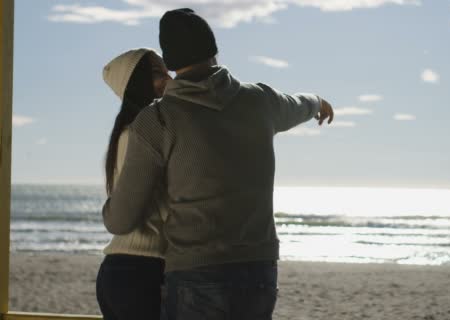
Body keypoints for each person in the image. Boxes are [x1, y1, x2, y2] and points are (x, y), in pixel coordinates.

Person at [101, 8, 334, 320]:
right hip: (259, 272)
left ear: (170, 64)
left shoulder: (157, 119)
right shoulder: (261, 100)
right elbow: (299, 103)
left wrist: (109, 207)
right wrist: (317, 102)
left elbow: (120, 221)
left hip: (196, 272)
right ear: (214, 50)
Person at [96, 48, 172, 320]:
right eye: (157, 74)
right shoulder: (141, 136)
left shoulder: (129, 133)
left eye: (167, 71)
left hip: (126, 272)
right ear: (135, 85)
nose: (169, 79)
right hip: (142, 274)